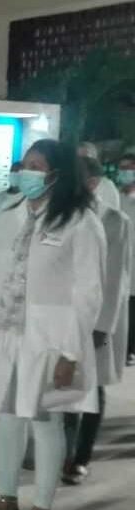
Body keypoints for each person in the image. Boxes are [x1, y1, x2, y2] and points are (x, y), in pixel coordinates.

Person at [0, 139, 104, 510]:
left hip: (51, 338)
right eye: (25, 164)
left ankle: (42, 507)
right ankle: (6, 498)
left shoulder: (80, 220)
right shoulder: (8, 214)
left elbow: (88, 291)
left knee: (46, 421)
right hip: (6, 334)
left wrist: (72, 353)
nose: (27, 172)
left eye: (36, 166)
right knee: (8, 416)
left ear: (57, 174)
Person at [61, 157, 131, 485]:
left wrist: (103, 325)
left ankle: (81, 458)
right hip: (62, 315)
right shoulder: (61, 215)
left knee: (91, 388)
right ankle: (60, 451)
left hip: (95, 321)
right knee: (61, 385)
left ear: (92, 183)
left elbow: (116, 277)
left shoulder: (115, 220)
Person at [118, 153, 135, 367]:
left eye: (129, 168)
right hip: (119, 259)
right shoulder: (114, 195)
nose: (125, 173)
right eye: (122, 168)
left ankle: (130, 349)